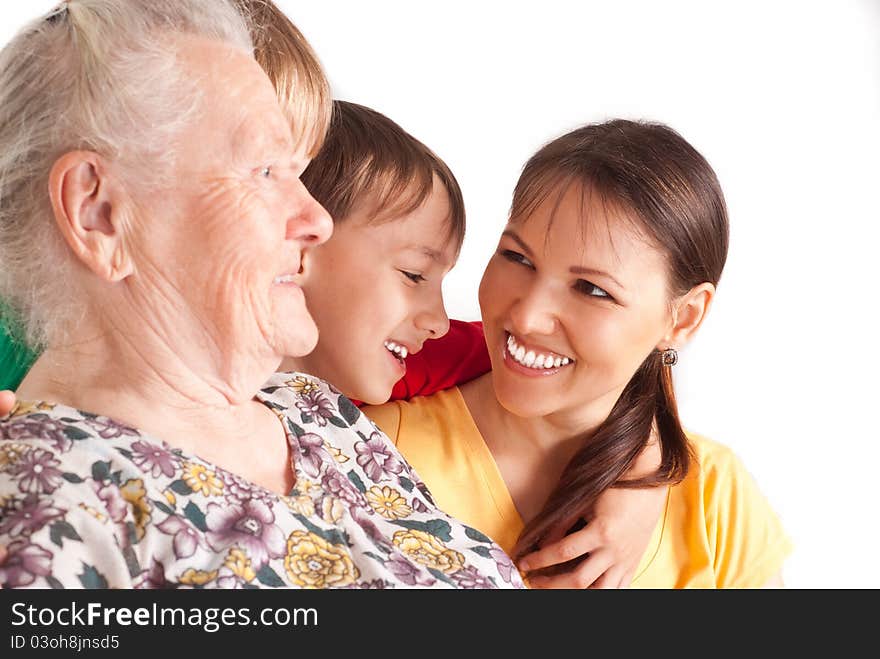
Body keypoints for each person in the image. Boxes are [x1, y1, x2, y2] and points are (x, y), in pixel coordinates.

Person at [0, 0, 522, 589]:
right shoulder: (48, 518)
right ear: (98, 214)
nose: (317, 220)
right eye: (264, 171)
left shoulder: (318, 413)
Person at [366, 119, 794, 588]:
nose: (528, 318)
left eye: (591, 289)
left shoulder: (717, 499)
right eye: (518, 257)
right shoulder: (369, 451)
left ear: (685, 317)